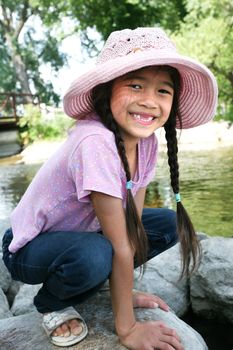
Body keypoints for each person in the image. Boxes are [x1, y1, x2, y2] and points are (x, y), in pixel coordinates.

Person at [2, 27, 217, 349]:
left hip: (85, 236)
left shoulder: (144, 143)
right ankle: (51, 303)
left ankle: (103, 283)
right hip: (31, 247)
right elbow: (119, 246)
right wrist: (127, 328)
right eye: (135, 85)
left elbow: (132, 227)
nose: (149, 101)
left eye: (163, 91)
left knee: (164, 225)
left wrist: (123, 289)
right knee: (98, 253)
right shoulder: (94, 141)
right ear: (106, 90)